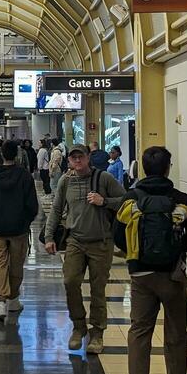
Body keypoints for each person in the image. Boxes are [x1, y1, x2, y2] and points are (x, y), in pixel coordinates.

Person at [115, 146, 187, 374]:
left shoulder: (131, 199)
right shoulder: (182, 199)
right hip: (173, 275)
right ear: (168, 167)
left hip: (141, 275)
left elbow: (118, 237)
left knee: (140, 330)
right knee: (176, 329)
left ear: (142, 167)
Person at [44, 146, 126, 354]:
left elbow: (127, 201)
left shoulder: (104, 178)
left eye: (81, 156)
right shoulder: (66, 181)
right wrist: (49, 236)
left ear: (88, 158)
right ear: (69, 160)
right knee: (70, 281)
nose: (77, 160)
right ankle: (78, 325)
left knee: (98, 289)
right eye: (74, 157)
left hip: (101, 242)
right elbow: (56, 208)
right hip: (75, 241)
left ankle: (97, 332)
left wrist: (104, 201)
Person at [0, 141, 38, 322]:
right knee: (16, 263)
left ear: (1, 154)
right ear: (17, 154)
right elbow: (32, 205)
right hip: (18, 227)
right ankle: (13, 299)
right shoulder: (24, 175)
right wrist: (26, 220)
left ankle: (0, 303)